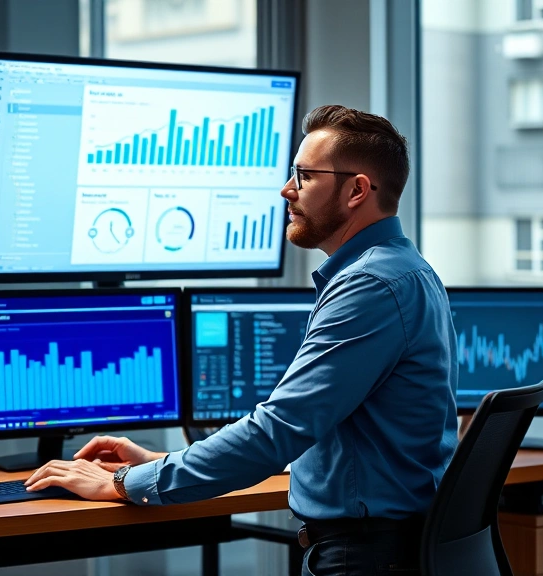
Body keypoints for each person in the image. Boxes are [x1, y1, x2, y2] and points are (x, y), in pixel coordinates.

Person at [25, 105, 459, 576]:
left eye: (304, 176)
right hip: (386, 547)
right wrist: (164, 462)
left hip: (367, 558)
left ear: (357, 190)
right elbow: (338, 439)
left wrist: (127, 483)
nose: (287, 189)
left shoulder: (370, 284)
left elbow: (280, 430)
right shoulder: (404, 269)